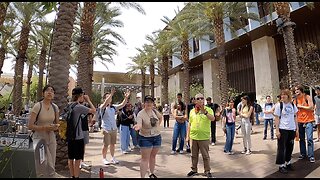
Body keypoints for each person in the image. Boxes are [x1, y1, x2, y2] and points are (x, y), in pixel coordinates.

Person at [28, 85, 60, 177]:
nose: (50, 92)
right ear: (43, 93)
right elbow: (30, 126)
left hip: (51, 137)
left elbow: (57, 124)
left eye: (52, 91)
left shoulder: (55, 107)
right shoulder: (38, 106)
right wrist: (44, 128)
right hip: (39, 138)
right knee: (43, 164)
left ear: (54, 94)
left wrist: (55, 127)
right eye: (47, 90)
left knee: (52, 163)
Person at [66, 87, 96, 178]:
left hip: (70, 135)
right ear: (81, 95)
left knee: (70, 158)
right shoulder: (79, 107)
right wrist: (89, 100)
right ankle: (76, 176)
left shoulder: (69, 105)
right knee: (78, 159)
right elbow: (94, 110)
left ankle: (72, 176)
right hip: (78, 136)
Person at [186, 93, 215, 178]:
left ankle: (207, 170)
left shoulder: (208, 109)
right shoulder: (192, 111)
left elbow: (213, 119)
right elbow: (189, 124)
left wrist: (205, 112)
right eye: (198, 98)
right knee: (193, 155)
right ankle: (194, 169)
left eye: (202, 98)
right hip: (193, 137)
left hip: (204, 137)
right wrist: (187, 136)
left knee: (205, 155)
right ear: (195, 101)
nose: (200, 100)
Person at [133, 95, 163, 178]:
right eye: (147, 101)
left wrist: (157, 127)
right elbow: (139, 123)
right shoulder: (140, 114)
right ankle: (142, 176)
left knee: (153, 156)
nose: (149, 103)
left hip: (156, 137)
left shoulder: (154, 111)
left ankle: (151, 173)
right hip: (145, 138)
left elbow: (160, 117)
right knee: (145, 159)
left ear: (153, 103)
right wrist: (138, 127)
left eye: (150, 102)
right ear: (144, 103)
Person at [101, 88, 130, 165]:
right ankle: (104, 158)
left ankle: (113, 157)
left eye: (110, 97)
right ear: (104, 99)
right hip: (106, 128)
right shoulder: (102, 107)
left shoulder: (113, 107)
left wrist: (126, 98)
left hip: (113, 128)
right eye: (107, 97)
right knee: (106, 144)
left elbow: (122, 105)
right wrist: (111, 94)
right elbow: (105, 103)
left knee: (112, 144)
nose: (109, 98)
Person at [274, 89, 298, 174]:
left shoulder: (292, 105)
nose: (282, 96)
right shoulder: (279, 105)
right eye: (281, 95)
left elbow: (295, 117)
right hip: (283, 129)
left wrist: (296, 129)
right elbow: (276, 118)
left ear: (288, 96)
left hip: (291, 129)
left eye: (284, 94)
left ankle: (288, 162)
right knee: (281, 148)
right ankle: (281, 165)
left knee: (290, 147)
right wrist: (277, 130)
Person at [293, 85, 315, 163]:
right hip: (299, 121)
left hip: (308, 121)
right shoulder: (295, 99)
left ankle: (311, 156)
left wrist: (301, 106)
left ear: (301, 90)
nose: (296, 91)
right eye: (295, 90)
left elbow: (311, 107)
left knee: (309, 139)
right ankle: (303, 154)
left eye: (297, 89)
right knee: (301, 139)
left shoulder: (307, 97)